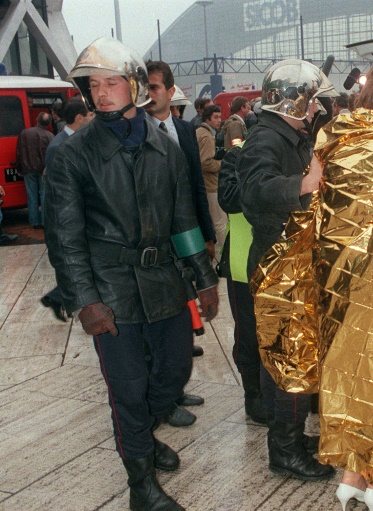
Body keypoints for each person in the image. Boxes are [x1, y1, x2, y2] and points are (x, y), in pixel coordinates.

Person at [45, 37, 219, 511]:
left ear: (135, 86)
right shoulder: (73, 155)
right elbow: (65, 238)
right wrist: (85, 300)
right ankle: (141, 486)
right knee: (128, 389)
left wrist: (202, 277)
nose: (101, 94)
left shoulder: (165, 146)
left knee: (174, 373)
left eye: (112, 83)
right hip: (110, 288)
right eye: (93, 85)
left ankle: (142, 435)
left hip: (163, 281)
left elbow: (183, 220)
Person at [261, 65, 373, 511]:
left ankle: (351, 475)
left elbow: (314, 201)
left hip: (336, 279)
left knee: (348, 371)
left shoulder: (329, 136)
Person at [235, 59, 335, 482]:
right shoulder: (264, 140)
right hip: (279, 263)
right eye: (312, 102)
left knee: (291, 358)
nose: (316, 111)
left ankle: (289, 437)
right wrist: (302, 185)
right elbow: (253, 191)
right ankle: (286, 450)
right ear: (293, 100)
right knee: (289, 360)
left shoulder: (289, 136)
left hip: (291, 260)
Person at [144, 59, 216, 427]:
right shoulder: (136, 132)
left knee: (183, 317)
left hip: (186, 238)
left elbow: (195, 190)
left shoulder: (186, 130)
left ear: (171, 91)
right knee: (161, 323)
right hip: (154, 245)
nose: (148, 94)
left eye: (154, 87)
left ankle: (176, 384)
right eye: (145, 87)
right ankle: (164, 397)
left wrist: (206, 236)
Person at [39, 98, 94, 322]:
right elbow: (56, 192)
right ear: (80, 118)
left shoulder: (83, 140)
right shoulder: (57, 146)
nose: (93, 119)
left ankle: (57, 297)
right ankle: (58, 297)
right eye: (90, 115)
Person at [196, 104, 227, 255]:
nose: (219, 120)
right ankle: (226, 255)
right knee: (220, 222)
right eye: (215, 117)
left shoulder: (199, 132)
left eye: (220, 117)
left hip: (202, 184)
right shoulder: (206, 136)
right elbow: (205, 162)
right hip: (210, 185)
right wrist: (223, 164)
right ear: (207, 119)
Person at [16, 111, 54, 229]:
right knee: (44, 195)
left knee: (31, 195)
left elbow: (19, 153)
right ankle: (44, 221)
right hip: (43, 170)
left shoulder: (24, 133)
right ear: (48, 124)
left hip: (28, 169)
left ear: (37, 119)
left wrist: (19, 168)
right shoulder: (50, 136)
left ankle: (34, 222)